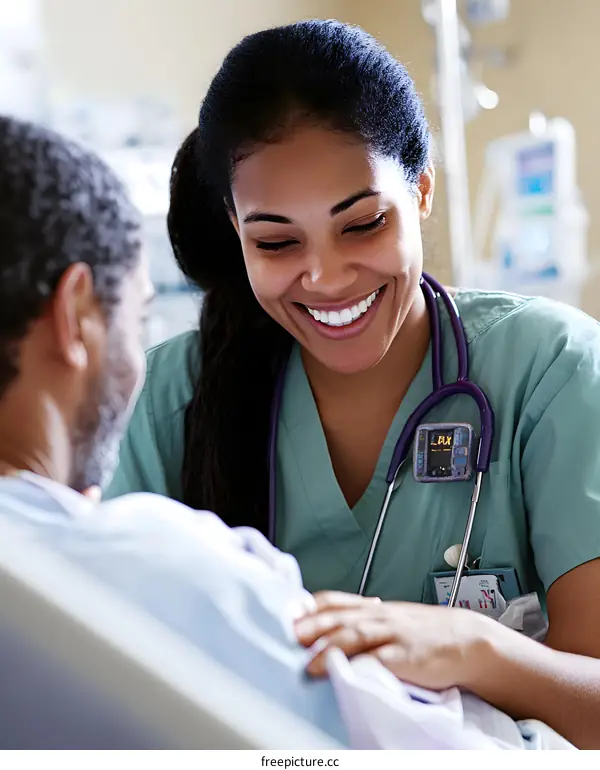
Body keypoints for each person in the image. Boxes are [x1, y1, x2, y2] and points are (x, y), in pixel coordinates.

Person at [0, 112, 589, 750]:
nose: (327, 277)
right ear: (75, 318)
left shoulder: (545, 365)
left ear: (421, 191)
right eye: (138, 315)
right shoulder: (185, 565)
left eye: (362, 224)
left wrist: (482, 650)